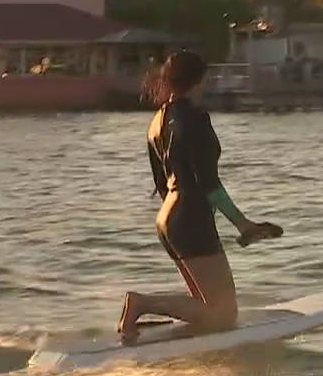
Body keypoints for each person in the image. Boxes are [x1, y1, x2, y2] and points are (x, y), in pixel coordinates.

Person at [118, 50, 282, 344]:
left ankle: (171, 333)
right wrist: (243, 224)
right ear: (200, 79)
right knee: (224, 314)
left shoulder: (157, 120)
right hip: (189, 217)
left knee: (205, 309)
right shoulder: (195, 117)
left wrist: (179, 220)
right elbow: (208, 183)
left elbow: (161, 181)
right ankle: (142, 303)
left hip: (168, 219)